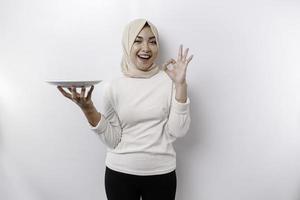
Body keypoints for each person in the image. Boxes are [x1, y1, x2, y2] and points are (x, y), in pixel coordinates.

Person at [57, 18, 193, 200]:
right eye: (138, 40)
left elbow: (178, 130)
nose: (146, 48)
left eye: (152, 42)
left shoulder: (169, 81)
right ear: (127, 43)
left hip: (162, 175)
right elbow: (113, 140)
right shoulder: (114, 87)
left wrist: (181, 85)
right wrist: (88, 109)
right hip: (120, 176)